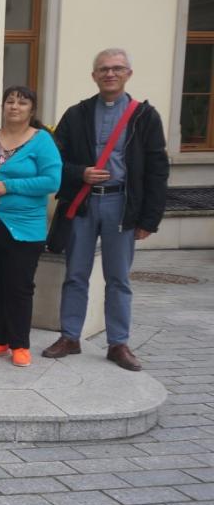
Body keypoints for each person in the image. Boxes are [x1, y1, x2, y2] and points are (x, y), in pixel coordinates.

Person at [43, 48, 169, 372]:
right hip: (84, 203)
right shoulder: (77, 114)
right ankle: (70, 336)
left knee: (118, 278)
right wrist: (80, 173)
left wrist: (150, 219)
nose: (110, 74)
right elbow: (55, 159)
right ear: (94, 76)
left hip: (121, 204)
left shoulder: (145, 116)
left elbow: (157, 169)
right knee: (75, 274)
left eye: (116, 68)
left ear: (128, 74)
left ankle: (118, 343)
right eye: (103, 69)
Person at [0, 87, 62, 367]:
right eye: (10, 101)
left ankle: (20, 344)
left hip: (25, 227)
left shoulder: (42, 141)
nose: (14, 106)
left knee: (19, 286)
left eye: (22, 102)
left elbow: (52, 181)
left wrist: (10, 186)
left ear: (32, 109)